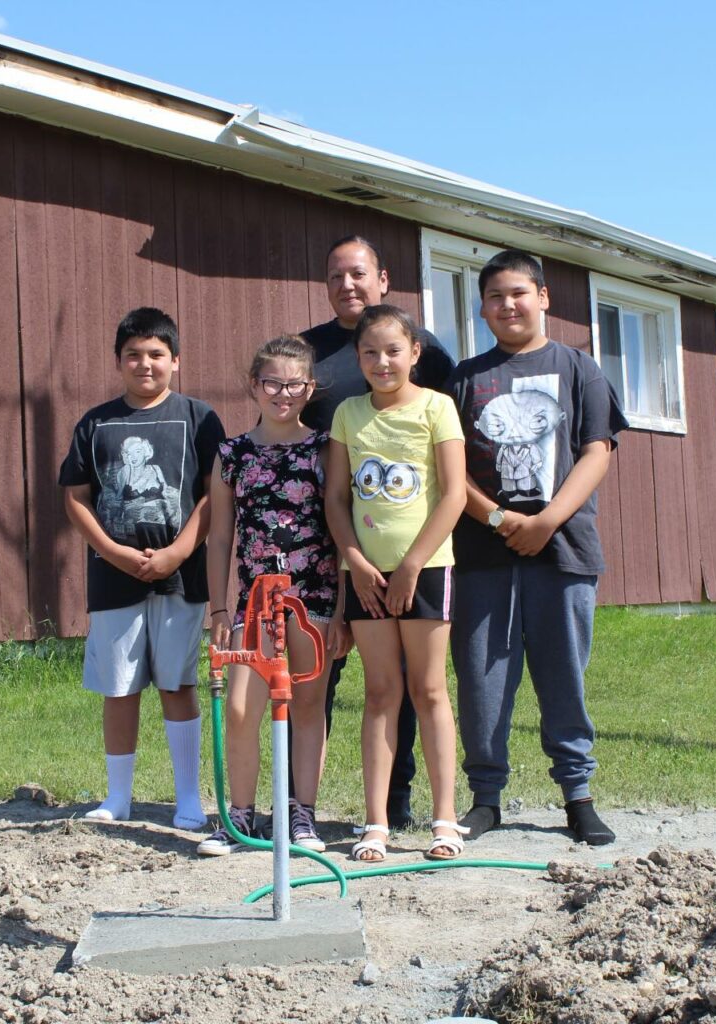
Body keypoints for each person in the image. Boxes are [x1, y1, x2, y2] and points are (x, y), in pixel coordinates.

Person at [446, 250, 627, 847]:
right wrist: (500, 518)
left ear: (543, 297)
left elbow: (596, 452)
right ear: (482, 308)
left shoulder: (579, 368)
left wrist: (547, 520)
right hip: (483, 556)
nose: (508, 305)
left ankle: (578, 796)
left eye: (519, 293)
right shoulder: (465, 379)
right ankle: (485, 799)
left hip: (564, 552)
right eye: (495, 297)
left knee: (563, 676)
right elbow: (449, 470)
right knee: (482, 681)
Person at [301, 235, 455, 829]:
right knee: (327, 676)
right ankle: (301, 808)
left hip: (419, 554)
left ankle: (403, 803)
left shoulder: (430, 363)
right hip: (335, 550)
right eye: (336, 275)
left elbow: (450, 476)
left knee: (417, 687)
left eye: (358, 273)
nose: (347, 284)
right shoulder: (311, 355)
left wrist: (415, 560)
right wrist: (351, 555)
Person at [59, 307, 225, 829]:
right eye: (133, 354)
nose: (145, 364)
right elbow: (76, 498)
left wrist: (179, 550)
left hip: (182, 578)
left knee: (177, 684)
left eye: (156, 354)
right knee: (120, 687)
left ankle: (188, 799)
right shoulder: (96, 423)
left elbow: (214, 495)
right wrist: (114, 552)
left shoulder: (198, 417)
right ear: (118, 361)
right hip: (114, 579)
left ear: (176, 360)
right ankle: (118, 797)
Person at [324, 304, 467, 862]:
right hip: (364, 574)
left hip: (426, 569)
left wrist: (411, 565)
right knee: (380, 692)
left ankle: (445, 820)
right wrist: (355, 560)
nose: (382, 362)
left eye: (392, 351)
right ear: (357, 358)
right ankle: (376, 823)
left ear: (415, 353)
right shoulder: (348, 413)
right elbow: (337, 498)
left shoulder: (437, 407)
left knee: (429, 690)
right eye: (370, 352)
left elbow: (454, 494)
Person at [197, 335, 346, 856]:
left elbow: (341, 529)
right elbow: (220, 537)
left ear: (310, 387)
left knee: (307, 706)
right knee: (241, 709)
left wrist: (342, 609)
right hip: (254, 603)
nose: (283, 394)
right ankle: (239, 818)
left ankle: (301, 815)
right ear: (253, 386)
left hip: (315, 599)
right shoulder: (232, 454)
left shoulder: (326, 449)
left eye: (294, 384)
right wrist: (220, 608)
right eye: (272, 383)